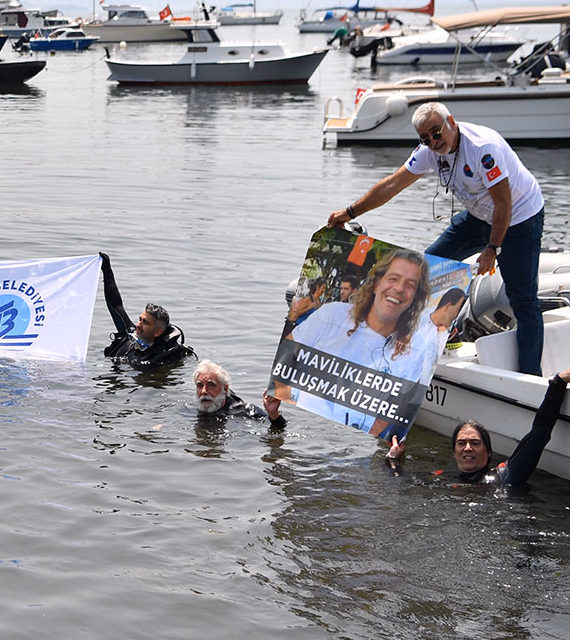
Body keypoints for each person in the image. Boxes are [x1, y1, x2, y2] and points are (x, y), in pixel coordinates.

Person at [327, 101, 545, 375]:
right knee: (427, 268)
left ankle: (531, 377)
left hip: (519, 217)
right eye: (425, 138)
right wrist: (350, 212)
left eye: (436, 132)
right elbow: (393, 184)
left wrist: (492, 247)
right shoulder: (429, 151)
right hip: (479, 214)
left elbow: (504, 202)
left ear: (451, 122)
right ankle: (443, 336)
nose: (433, 141)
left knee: (523, 300)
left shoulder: (482, 148)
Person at [387, 368, 570, 487]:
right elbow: (403, 483)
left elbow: (539, 433)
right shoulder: (442, 479)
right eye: (461, 443)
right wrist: (393, 459)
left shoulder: (504, 476)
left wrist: (557, 384)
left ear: (489, 451)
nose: (468, 448)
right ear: (454, 452)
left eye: (475, 443)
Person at [289, 249, 434, 381]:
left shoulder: (413, 351)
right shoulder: (331, 315)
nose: (399, 288)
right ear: (377, 285)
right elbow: (287, 355)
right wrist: (276, 398)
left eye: (410, 285)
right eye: (393, 279)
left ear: (415, 297)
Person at [99, 253, 194, 368]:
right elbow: (116, 305)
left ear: (157, 332)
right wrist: (106, 269)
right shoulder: (130, 334)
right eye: (140, 319)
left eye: (145, 323)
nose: (138, 325)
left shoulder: (164, 356)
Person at [193, 359, 285, 429]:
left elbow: (278, 429)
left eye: (211, 385)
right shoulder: (191, 410)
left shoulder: (246, 411)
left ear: (225, 388)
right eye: (200, 385)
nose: (204, 391)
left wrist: (273, 414)